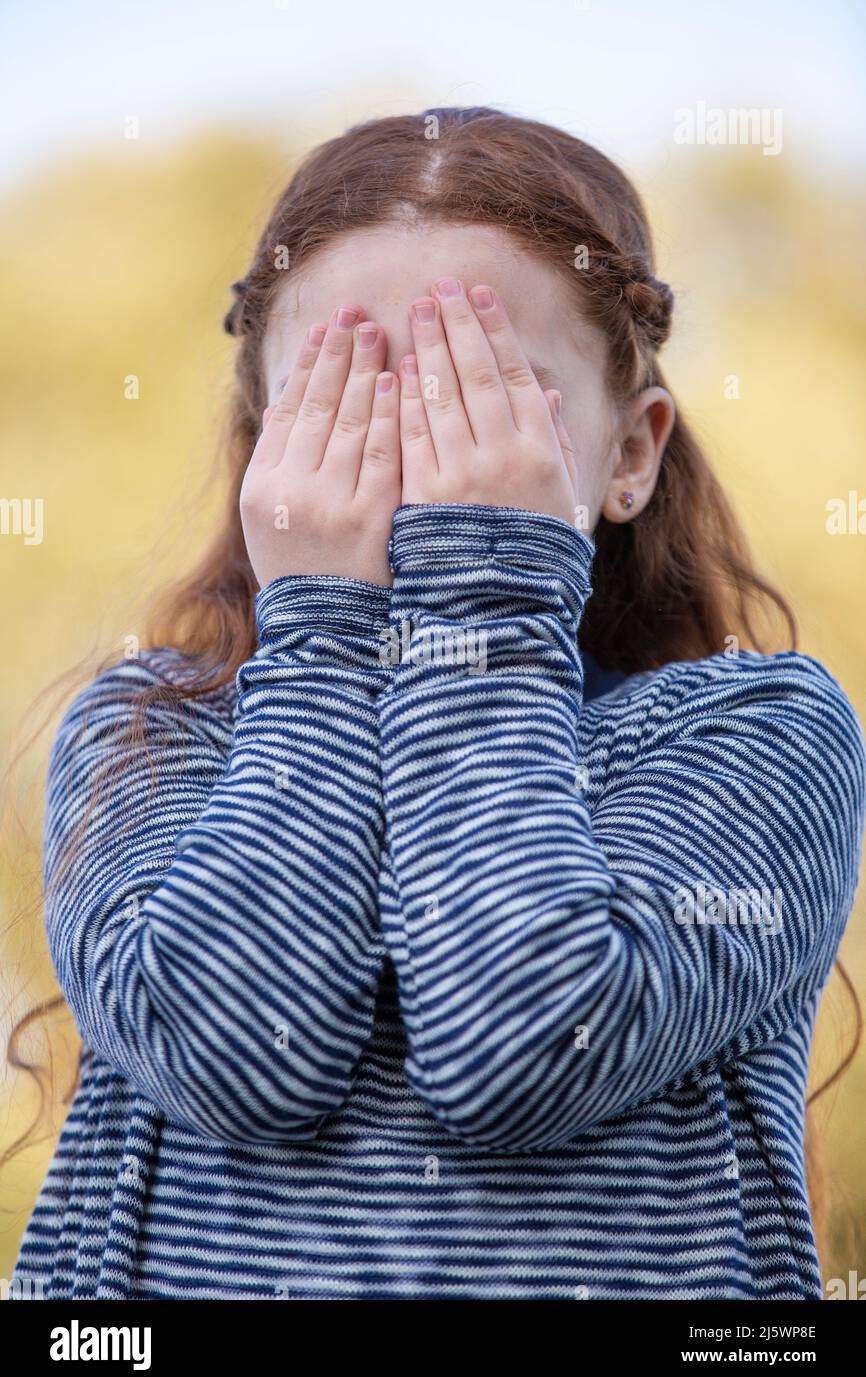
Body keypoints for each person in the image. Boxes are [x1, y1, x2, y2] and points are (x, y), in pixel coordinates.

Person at [9, 107, 865, 1300]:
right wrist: (320, 643)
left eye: (484, 400)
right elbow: (234, 1055)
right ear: (268, 459)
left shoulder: (760, 731)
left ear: (630, 454)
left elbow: (522, 1049)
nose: (424, 459)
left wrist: (477, 605)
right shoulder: (151, 730)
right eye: (347, 405)